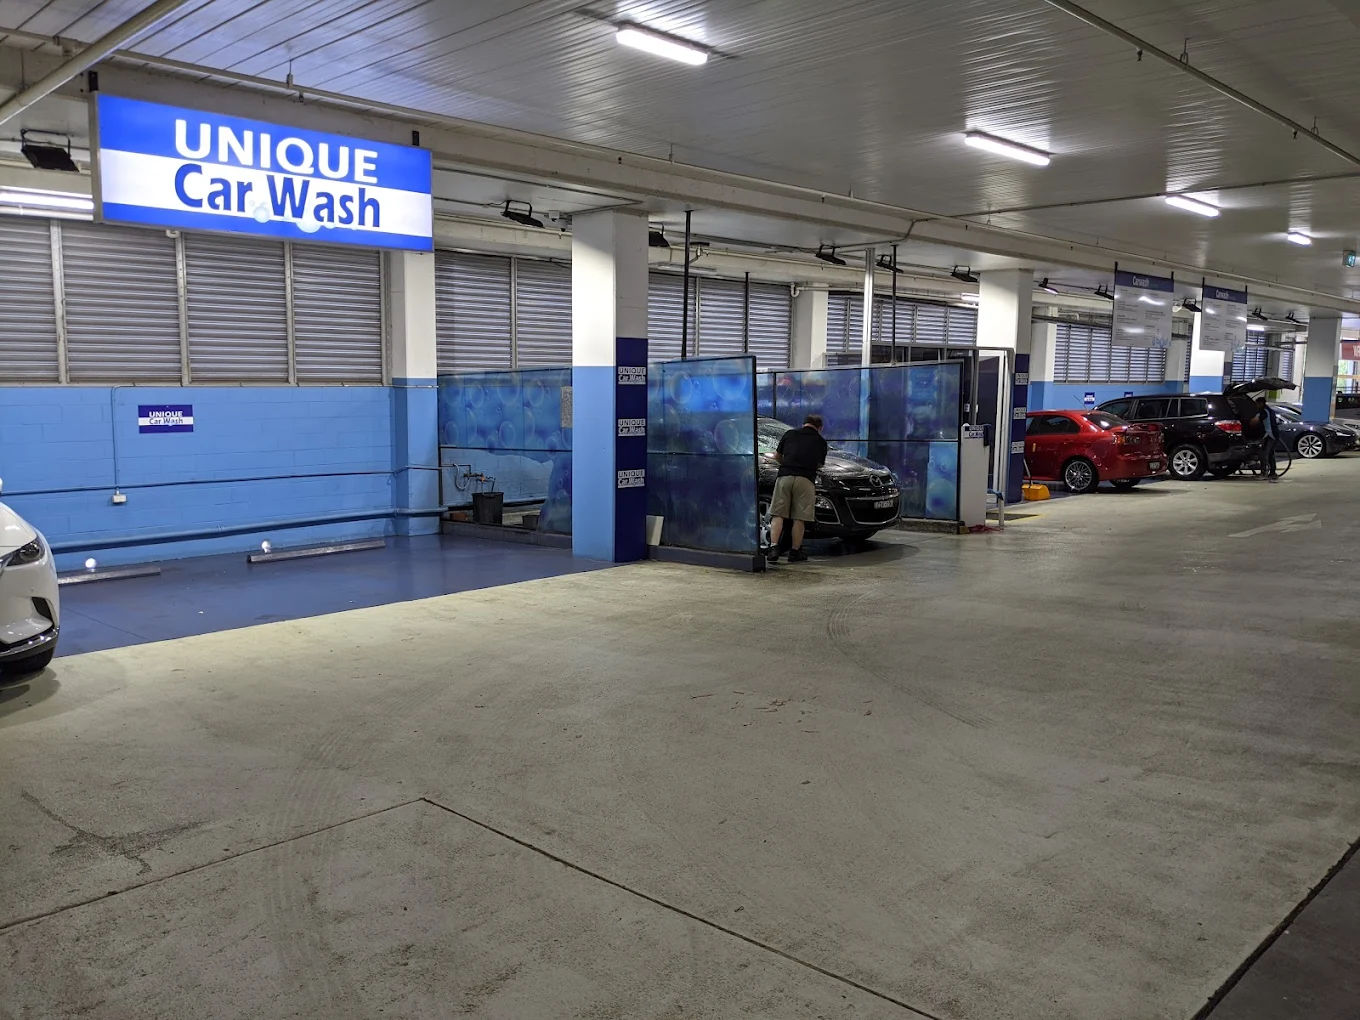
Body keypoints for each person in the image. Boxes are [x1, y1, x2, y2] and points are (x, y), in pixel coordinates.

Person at [767, 414, 828, 563]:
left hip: (785, 476)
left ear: (804, 423)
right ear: (820, 428)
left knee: (778, 514)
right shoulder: (820, 441)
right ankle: (794, 552)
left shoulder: (790, 434)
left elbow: (777, 456)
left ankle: (774, 548)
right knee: (799, 518)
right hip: (805, 479)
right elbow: (820, 464)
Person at [1253, 396, 1279, 481]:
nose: (1256, 405)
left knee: (1264, 454)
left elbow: (1254, 421)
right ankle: (1272, 473)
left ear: (1261, 403)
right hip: (1274, 435)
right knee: (1271, 454)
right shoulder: (1270, 411)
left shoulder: (1264, 412)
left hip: (1269, 435)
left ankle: (1264, 473)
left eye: (1257, 404)